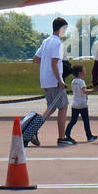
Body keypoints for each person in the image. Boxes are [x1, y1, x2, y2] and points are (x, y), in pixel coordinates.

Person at [32, 16, 74, 146]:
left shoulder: (46, 41)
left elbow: (36, 58)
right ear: (61, 29)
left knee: (51, 107)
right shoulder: (57, 43)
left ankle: (34, 127)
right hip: (54, 79)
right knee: (63, 106)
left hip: (45, 79)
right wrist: (60, 81)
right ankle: (61, 137)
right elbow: (54, 63)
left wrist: (45, 66)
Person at [64, 64, 96, 142]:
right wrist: (93, 90)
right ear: (80, 73)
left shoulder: (73, 81)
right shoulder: (81, 81)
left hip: (75, 104)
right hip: (82, 104)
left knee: (73, 120)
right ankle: (89, 136)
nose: (85, 72)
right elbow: (85, 91)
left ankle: (67, 133)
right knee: (86, 121)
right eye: (84, 71)